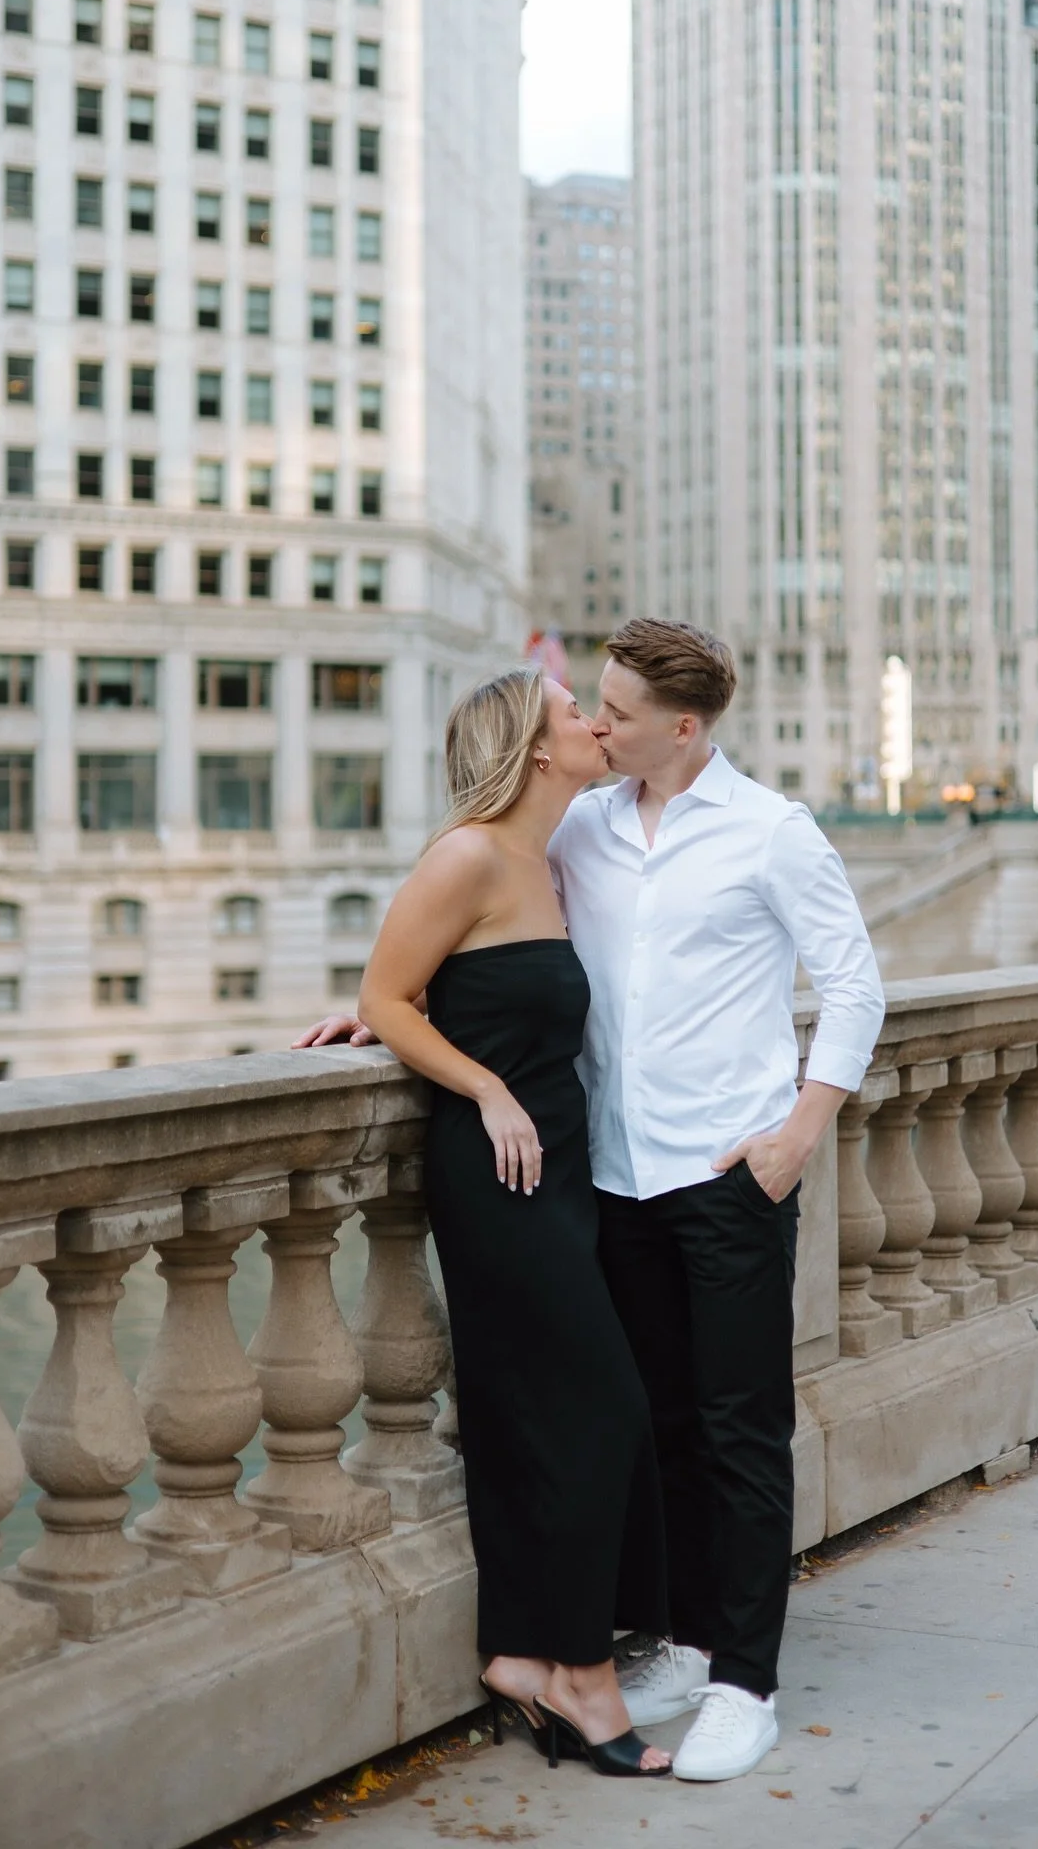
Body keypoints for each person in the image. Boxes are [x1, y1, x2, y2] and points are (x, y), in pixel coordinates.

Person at [298, 618, 885, 1785]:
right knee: (650, 1424)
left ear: (683, 725)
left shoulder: (773, 832)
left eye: (615, 709)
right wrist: (383, 1013)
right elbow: (473, 942)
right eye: (589, 705)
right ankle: (682, 1639)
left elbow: (856, 982)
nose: (599, 720)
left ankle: (743, 1685)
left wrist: (798, 1135)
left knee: (738, 1432)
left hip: (727, 1175)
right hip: (605, 1180)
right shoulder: (578, 830)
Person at [348, 666, 672, 1779]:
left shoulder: (553, 855)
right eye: (573, 709)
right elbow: (387, 994)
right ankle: (582, 1674)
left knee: (531, 1417)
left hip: (565, 1170)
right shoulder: (471, 853)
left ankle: (522, 1658)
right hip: (496, 1173)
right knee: (602, 1410)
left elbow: (441, 990)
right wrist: (482, 1086)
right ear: (536, 748)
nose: (593, 721)